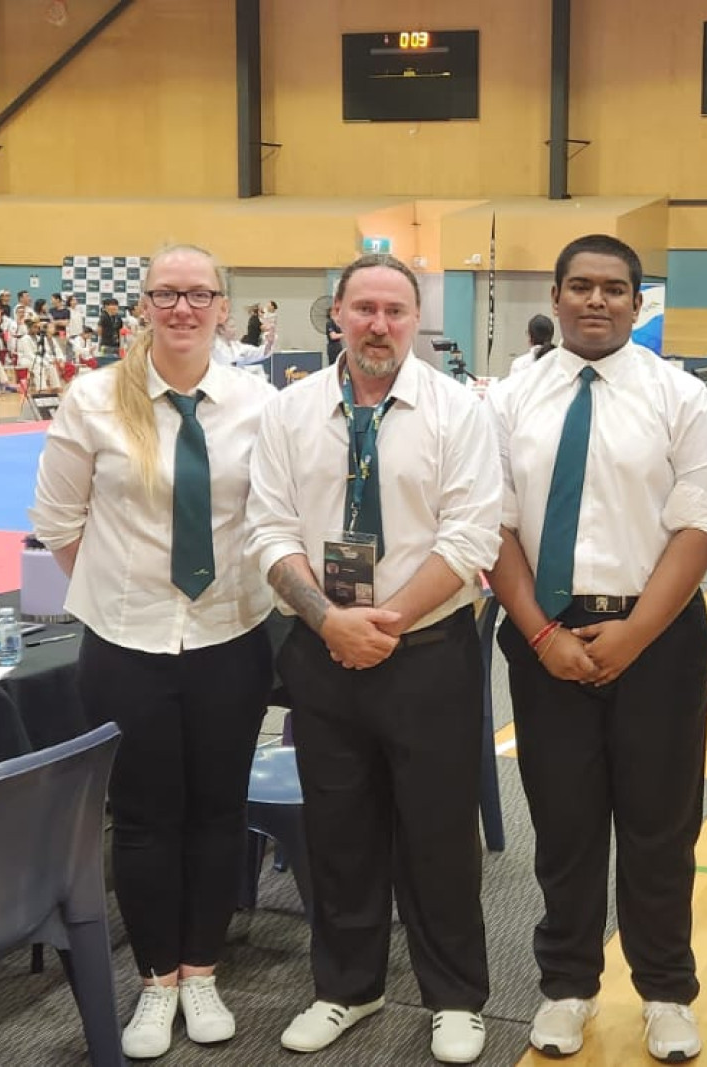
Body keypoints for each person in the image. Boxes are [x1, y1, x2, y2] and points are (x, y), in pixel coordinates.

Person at [247, 252, 500, 1065]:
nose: (379, 324)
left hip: (428, 650)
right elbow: (269, 531)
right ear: (337, 316)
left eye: (395, 310)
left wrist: (380, 621)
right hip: (324, 652)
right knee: (338, 827)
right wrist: (330, 621)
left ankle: (455, 995)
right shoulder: (288, 413)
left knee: (437, 830)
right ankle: (347, 987)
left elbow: (470, 537)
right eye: (364, 309)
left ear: (414, 321)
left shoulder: (457, 411)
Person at [29, 245, 277, 1060]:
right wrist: (125, 593)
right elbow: (60, 524)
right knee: (140, 819)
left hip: (228, 639)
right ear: (143, 304)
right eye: (166, 293)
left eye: (198, 293)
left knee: (215, 810)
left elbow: (273, 516)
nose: (182, 307)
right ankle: (154, 980)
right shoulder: (95, 398)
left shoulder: (255, 401)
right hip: (126, 644)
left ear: (221, 304)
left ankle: (202, 969)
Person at [486, 234, 707, 1063]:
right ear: (554, 296)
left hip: (654, 634)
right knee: (564, 823)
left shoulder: (681, 396)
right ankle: (566, 985)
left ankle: (665, 990)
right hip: (542, 632)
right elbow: (493, 524)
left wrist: (635, 632)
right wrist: (541, 633)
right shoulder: (509, 399)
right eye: (581, 286)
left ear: (637, 301)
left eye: (615, 289)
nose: (598, 300)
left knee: (662, 824)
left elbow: (702, 521)